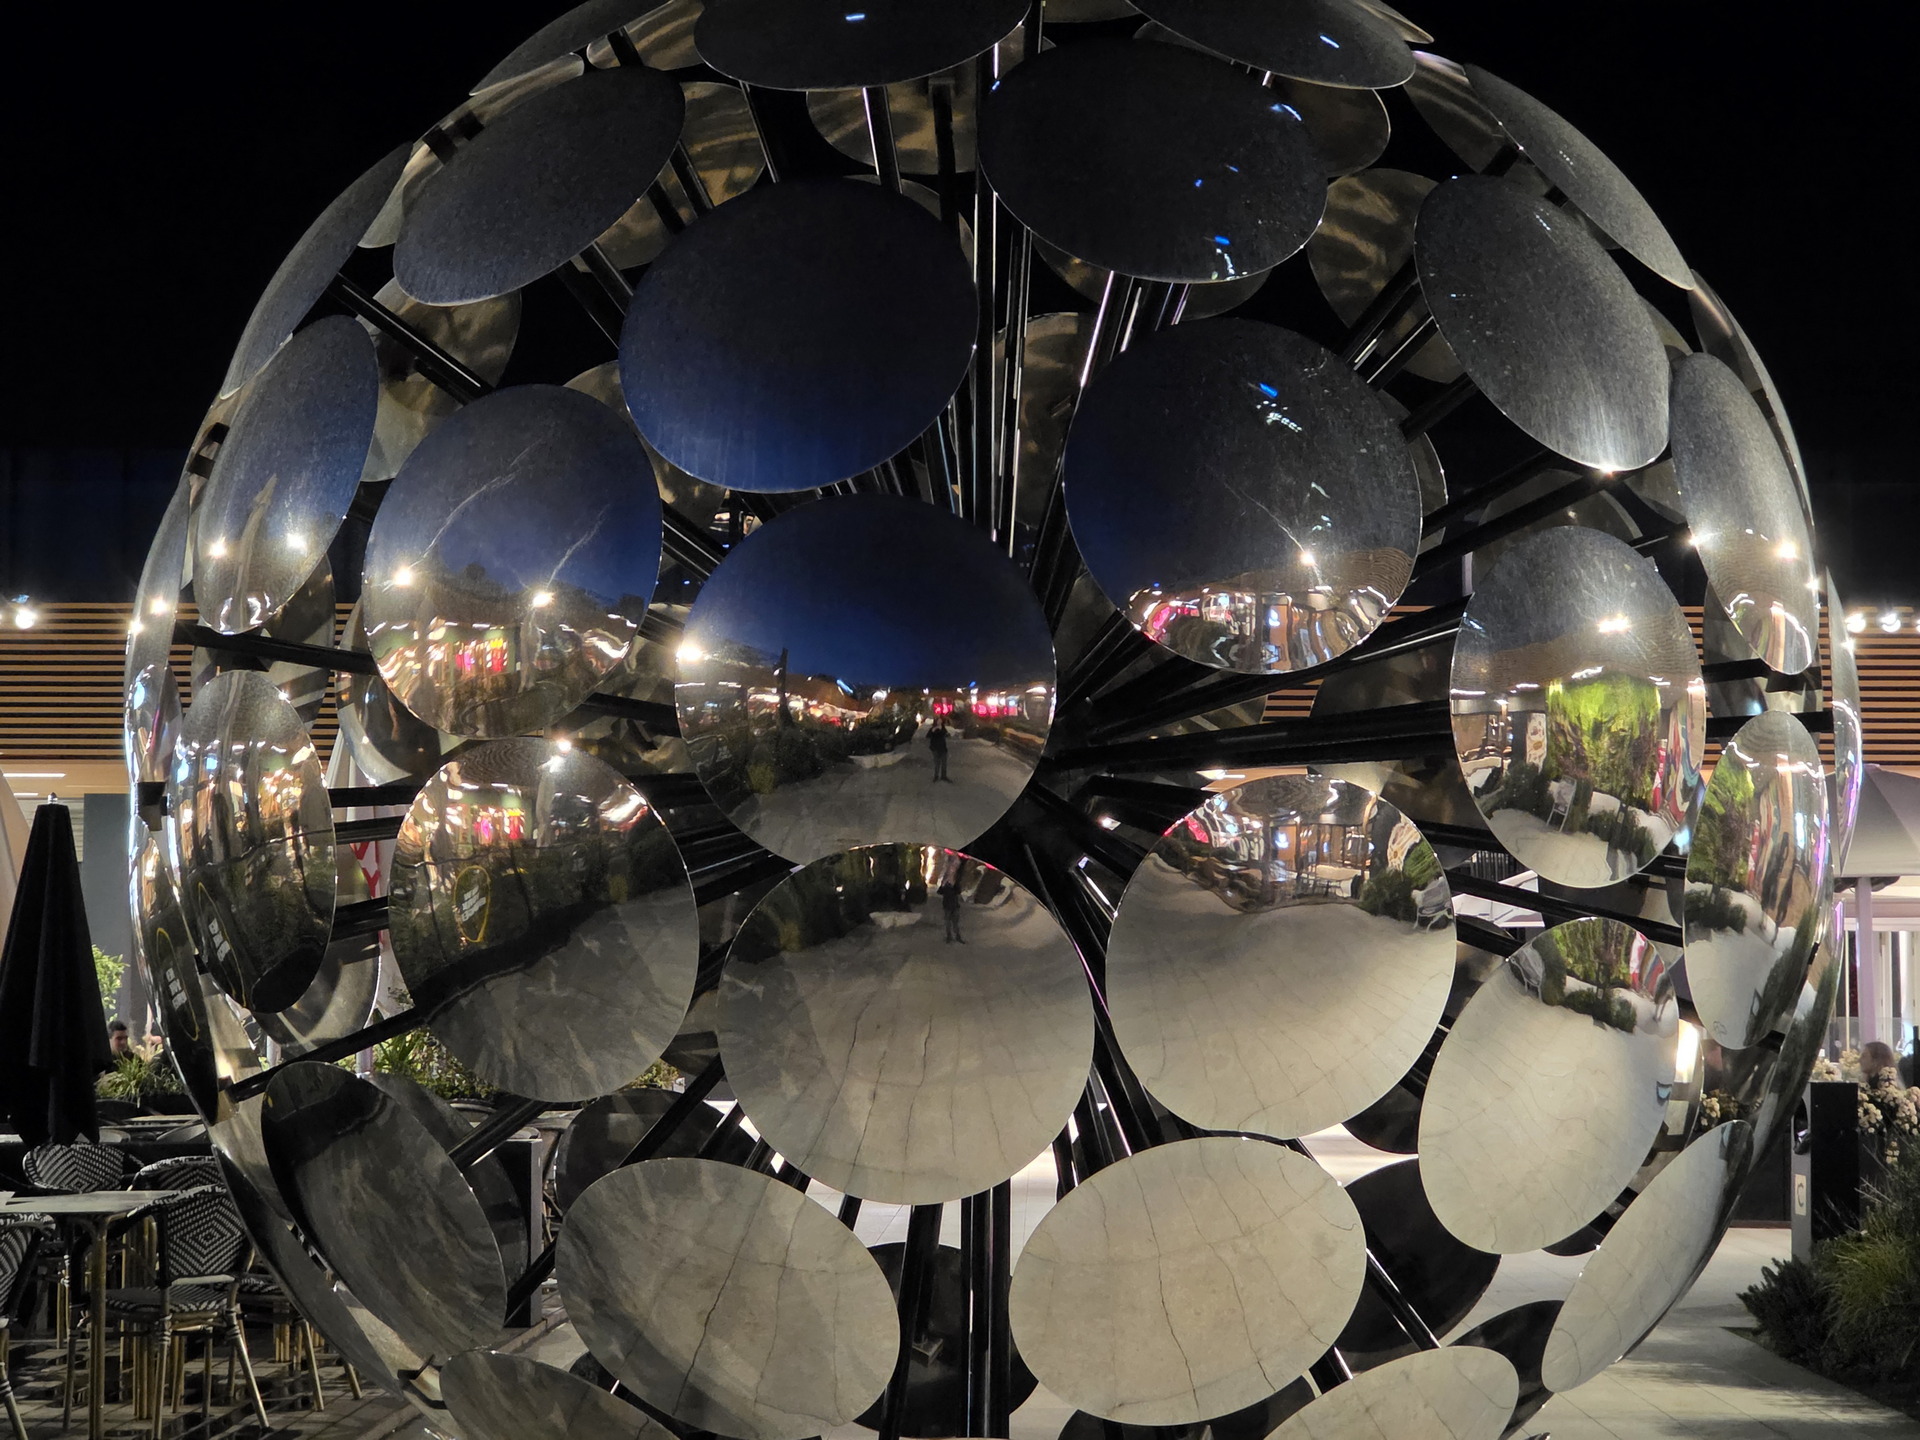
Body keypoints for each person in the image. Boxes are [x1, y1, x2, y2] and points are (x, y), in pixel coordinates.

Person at [941, 876, 964, 943]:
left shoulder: (954, 885)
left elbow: (958, 891)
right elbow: (958, 892)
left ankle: (953, 936)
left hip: (951, 906)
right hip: (952, 906)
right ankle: (953, 936)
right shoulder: (951, 886)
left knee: (952, 923)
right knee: (952, 923)